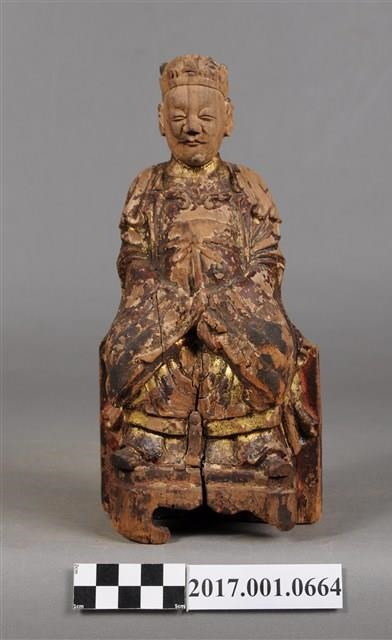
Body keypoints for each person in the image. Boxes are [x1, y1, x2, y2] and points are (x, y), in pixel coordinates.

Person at [100, 55, 311, 486]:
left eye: (206, 117)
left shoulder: (246, 185)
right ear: (161, 120)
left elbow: (267, 257)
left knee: (265, 346)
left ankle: (255, 443)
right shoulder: (147, 185)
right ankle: (151, 442)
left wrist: (229, 300)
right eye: (179, 117)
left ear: (227, 120)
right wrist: (167, 298)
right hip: (164, 305)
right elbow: (133, 256)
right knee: (133, 348)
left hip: (235, 305)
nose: (192, 127)